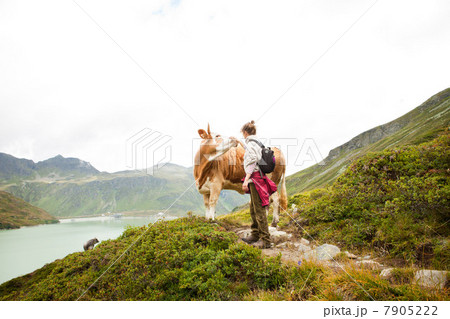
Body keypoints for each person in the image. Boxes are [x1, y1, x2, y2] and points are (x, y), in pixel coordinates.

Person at [239, 120, 272, 249]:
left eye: (243, 133)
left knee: (258, 209)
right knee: (253, 208)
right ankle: (255, 234)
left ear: (245, 132)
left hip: (255, 179)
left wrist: (246, 179)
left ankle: (266, 240)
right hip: (257, 178)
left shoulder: (252, 144)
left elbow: (252, 160)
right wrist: (239, 142)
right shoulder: (255, 143)